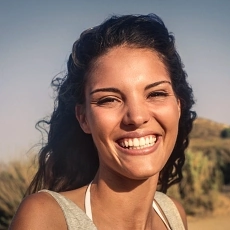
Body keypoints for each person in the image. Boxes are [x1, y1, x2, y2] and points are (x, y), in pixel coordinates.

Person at [10, 14, 196, 230]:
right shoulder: (46, 218)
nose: (136, 117)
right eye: (109, 99)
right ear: (84, 118)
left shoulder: (173, 214)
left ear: (178, 106)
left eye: (156, 94)